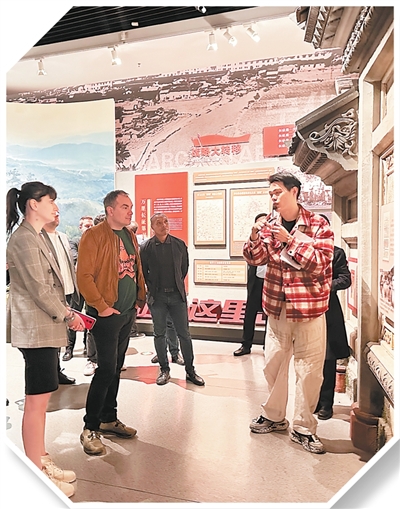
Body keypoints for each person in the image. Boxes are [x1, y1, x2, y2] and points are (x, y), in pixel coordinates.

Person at [243, 172, 334, 454]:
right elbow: (255, 258)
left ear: (294, 192)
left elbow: (321, 263)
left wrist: (290, 240)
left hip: (309, 309)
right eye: (270, 193)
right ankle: (274, 416)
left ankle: (304, 427)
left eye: (278, 192)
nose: (273, 197)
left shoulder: (318, 224)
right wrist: (254, 236)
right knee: (272, 363)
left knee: (309, 371)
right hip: (277, 307)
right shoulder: (270, 224)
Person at [6, 181, 85, 498]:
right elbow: (40, 289)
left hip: (44, 327)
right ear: (33, 204)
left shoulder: (37, 236)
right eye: (51, 201)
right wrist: (67, 315)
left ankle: (40, 459)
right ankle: (35, 471)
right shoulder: (24, 239)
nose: (56, 206)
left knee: (42, 399)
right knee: (37, 403)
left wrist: (66, 311)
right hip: (35, 329)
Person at [76, 190, 146, 455]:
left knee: (116, 368)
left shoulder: (129, 235)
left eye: (131, 206)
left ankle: (108, 418)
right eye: (125, 206)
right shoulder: (93, 236)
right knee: (105, 370)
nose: (130, 211)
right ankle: (90, 427)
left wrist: (139, 298)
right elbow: (84, 276)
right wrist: (102, 306)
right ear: (110, 210)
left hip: (126, 313)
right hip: (105, 315)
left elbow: (136, 268)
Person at [140, 213, 205, 386]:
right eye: (159, 223)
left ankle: (190, 371)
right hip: (158, 297)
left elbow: (184, 268)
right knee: (159, 334)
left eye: (166, 222)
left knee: (184, 334)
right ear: (152, 227)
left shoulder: (179, 244)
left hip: (177, 295)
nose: (164, 225)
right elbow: (144, 272)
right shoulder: (146, 248)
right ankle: (164, 369)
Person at [315, 215, 351, 420]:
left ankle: (326, 404)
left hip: (329, 310)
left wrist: (326, 286)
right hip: (306, 310)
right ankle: (313, 401)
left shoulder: (336, 253)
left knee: (328, 359)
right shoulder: (300, 252)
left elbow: (345, 279)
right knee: (310, 359)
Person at [42, 212, 80, 385]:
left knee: (64, 331)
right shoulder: (37, 238)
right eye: (52, 210)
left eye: (58, 212)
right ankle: (51, 373)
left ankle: (57, 371)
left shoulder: (63, 237)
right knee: (51, 336)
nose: (56, 214)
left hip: (68, 290)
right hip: (52, 293)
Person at [234, 212, 268, 356]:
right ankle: (246, 345)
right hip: (256, 284)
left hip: (270, 285)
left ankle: (268, 346)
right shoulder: (252, 243)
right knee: (249, 315)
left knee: (270, 317)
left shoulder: (273, 243)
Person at [63, 215, 94, 360]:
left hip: (92, 286)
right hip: (77, 287)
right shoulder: (74, 242)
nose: (90, 228)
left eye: (91, 225)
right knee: (73, 314)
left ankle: (88, 347)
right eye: (87, 226)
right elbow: (76, 260)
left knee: (90, 317)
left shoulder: (97, 242)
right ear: (80, 227)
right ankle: (69, 348)